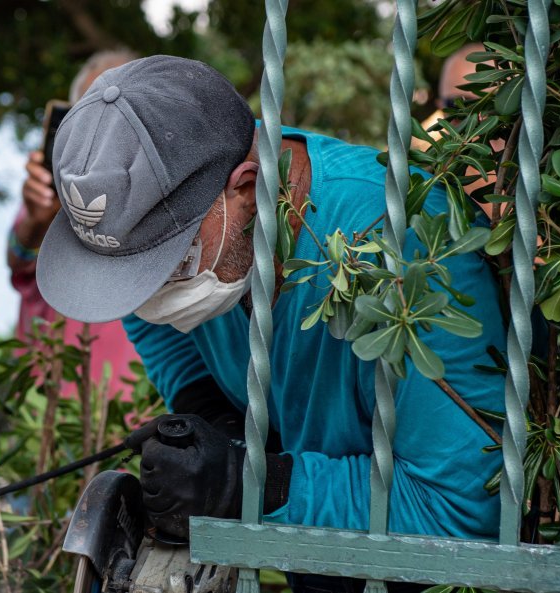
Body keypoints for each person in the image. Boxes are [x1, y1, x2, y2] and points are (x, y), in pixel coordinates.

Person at [36, 56, 506, 592]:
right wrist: (209, 414)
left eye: (167, 266)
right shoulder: (209, 233)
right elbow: (154, 325)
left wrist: (255, 485)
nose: (146, 300)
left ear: (247, 185)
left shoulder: (407, 244)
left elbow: (463, 513)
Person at [7, 49, 139, 399]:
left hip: (140, 407)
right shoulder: (50, 195)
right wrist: (38, 220)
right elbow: (19, 259)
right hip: (52, 409)